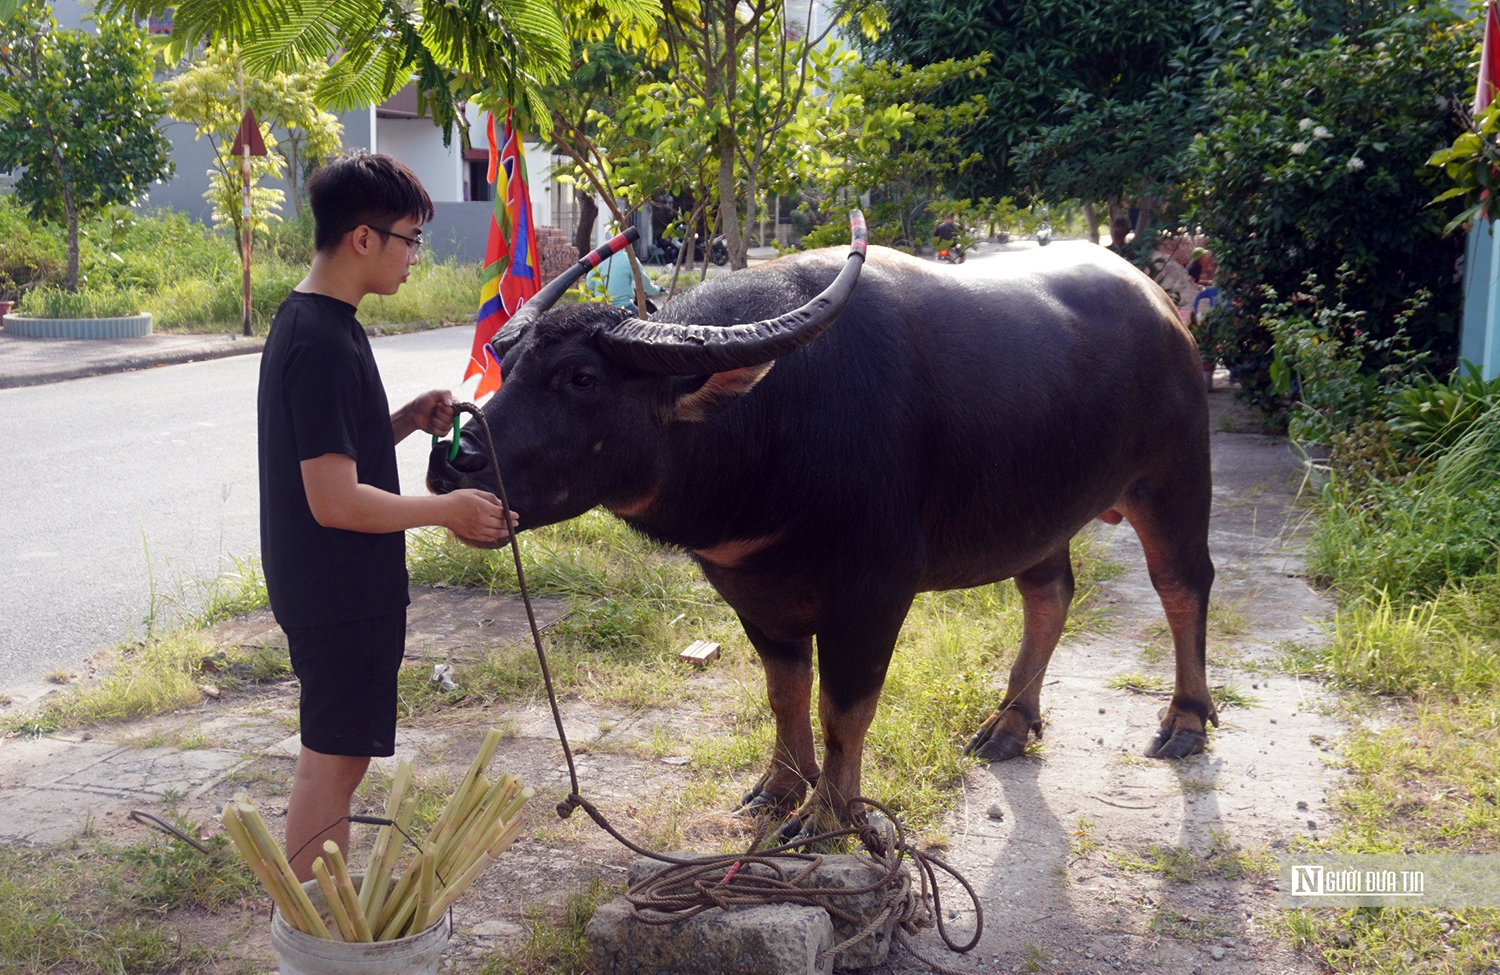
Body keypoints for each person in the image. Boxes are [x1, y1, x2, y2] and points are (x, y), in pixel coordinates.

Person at [257, 152, 518, 882]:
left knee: (340, 754)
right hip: (337, 589)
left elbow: (330, 455)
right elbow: (333, 500)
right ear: (363, 239)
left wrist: (402, 420)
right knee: (333, 761)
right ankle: (309, 925)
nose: (413, 256)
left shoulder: (320, 324)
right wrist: (447, 511)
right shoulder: (320, 341)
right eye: (410, 237)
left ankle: (313, 920)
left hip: (337, 584)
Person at [590, 247, 662, 313]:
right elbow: (643, 282)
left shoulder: (599, 259)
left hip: (600, 308)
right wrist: (656, 289)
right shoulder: (629, 259)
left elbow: (590, 284)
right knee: (651, 321)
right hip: (623, 306)